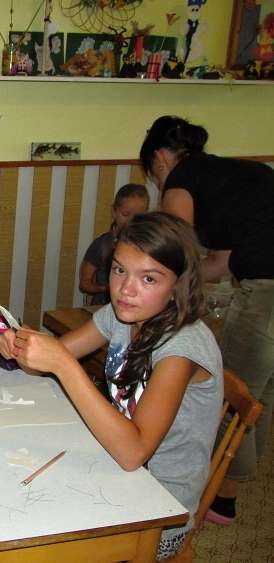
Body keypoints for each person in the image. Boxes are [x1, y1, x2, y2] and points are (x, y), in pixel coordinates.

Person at [0, 212, 223, 561]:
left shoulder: (181, 348)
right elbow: (38, 366)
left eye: (149, 278)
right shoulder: (120, 315)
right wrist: (20, 348)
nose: (126, 290)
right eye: (119, 270)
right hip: (111, 466)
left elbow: (134, 454)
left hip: (159, 512)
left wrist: (63, 365)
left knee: (30, 543)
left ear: (178, 286)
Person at [140, 115, 274, 525]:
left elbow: (174, 252)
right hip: (264, 273)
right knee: (263, 388)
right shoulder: (232, 174)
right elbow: (221, 262)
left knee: (230, 389)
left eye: (154, 175)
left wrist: (156, 291)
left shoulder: (182, 178)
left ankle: (223, 496)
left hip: (268, 284)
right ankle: (239, 477)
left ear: (160, 159)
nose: (159, 184)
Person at [80, 183, 149, 305]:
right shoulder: (102, 244)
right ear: (114, 211)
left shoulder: (150, 245)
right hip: (103, 306)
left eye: (138, 216)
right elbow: (85, 284)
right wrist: (108, 288)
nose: (130, 221)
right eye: (125, 214)